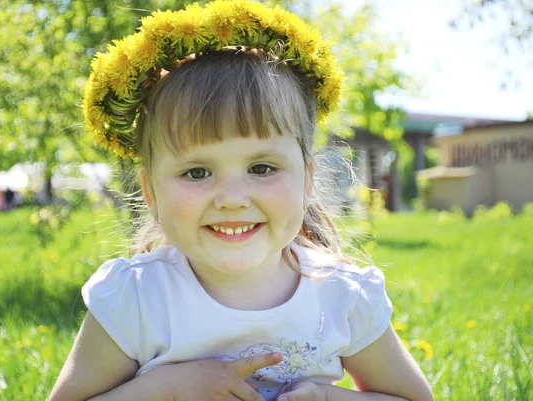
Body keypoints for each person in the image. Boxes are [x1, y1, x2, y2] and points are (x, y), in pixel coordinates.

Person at [49, 1, 434, 401]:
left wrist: (326, 397)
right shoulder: (138, 300)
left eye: (263, 168)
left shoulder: (341, 297)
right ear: (151, 192)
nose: (232, 199)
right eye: (197, 172)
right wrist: (165, 389)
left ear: (307, 180)